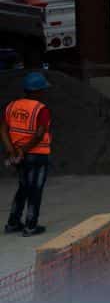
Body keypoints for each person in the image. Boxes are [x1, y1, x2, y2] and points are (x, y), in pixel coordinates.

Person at [5, 71, 53, 237]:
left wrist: (12, 150)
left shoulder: (12, 106)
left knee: (23, 188)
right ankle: (31, 226)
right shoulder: (42, 109)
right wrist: (24, 150)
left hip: (20, 157)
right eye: (43, 90)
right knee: (35, 190)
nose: (45, 93)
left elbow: (3, 129)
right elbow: (39, 134)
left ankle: (12, 223)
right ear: (38, 91)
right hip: (37, 155)